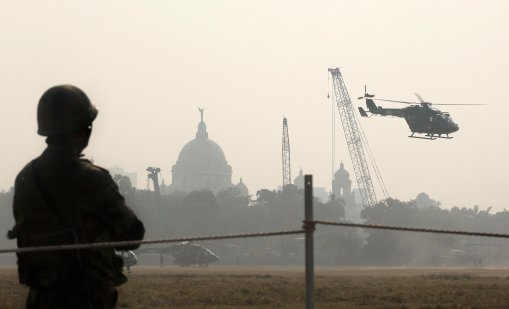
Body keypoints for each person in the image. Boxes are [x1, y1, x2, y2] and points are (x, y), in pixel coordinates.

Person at [8, 85, 145, 309]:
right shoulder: (92, 179)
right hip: (86, 297)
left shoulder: (25, 179)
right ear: (84, 129)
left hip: (39, 298)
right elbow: (132, 234)